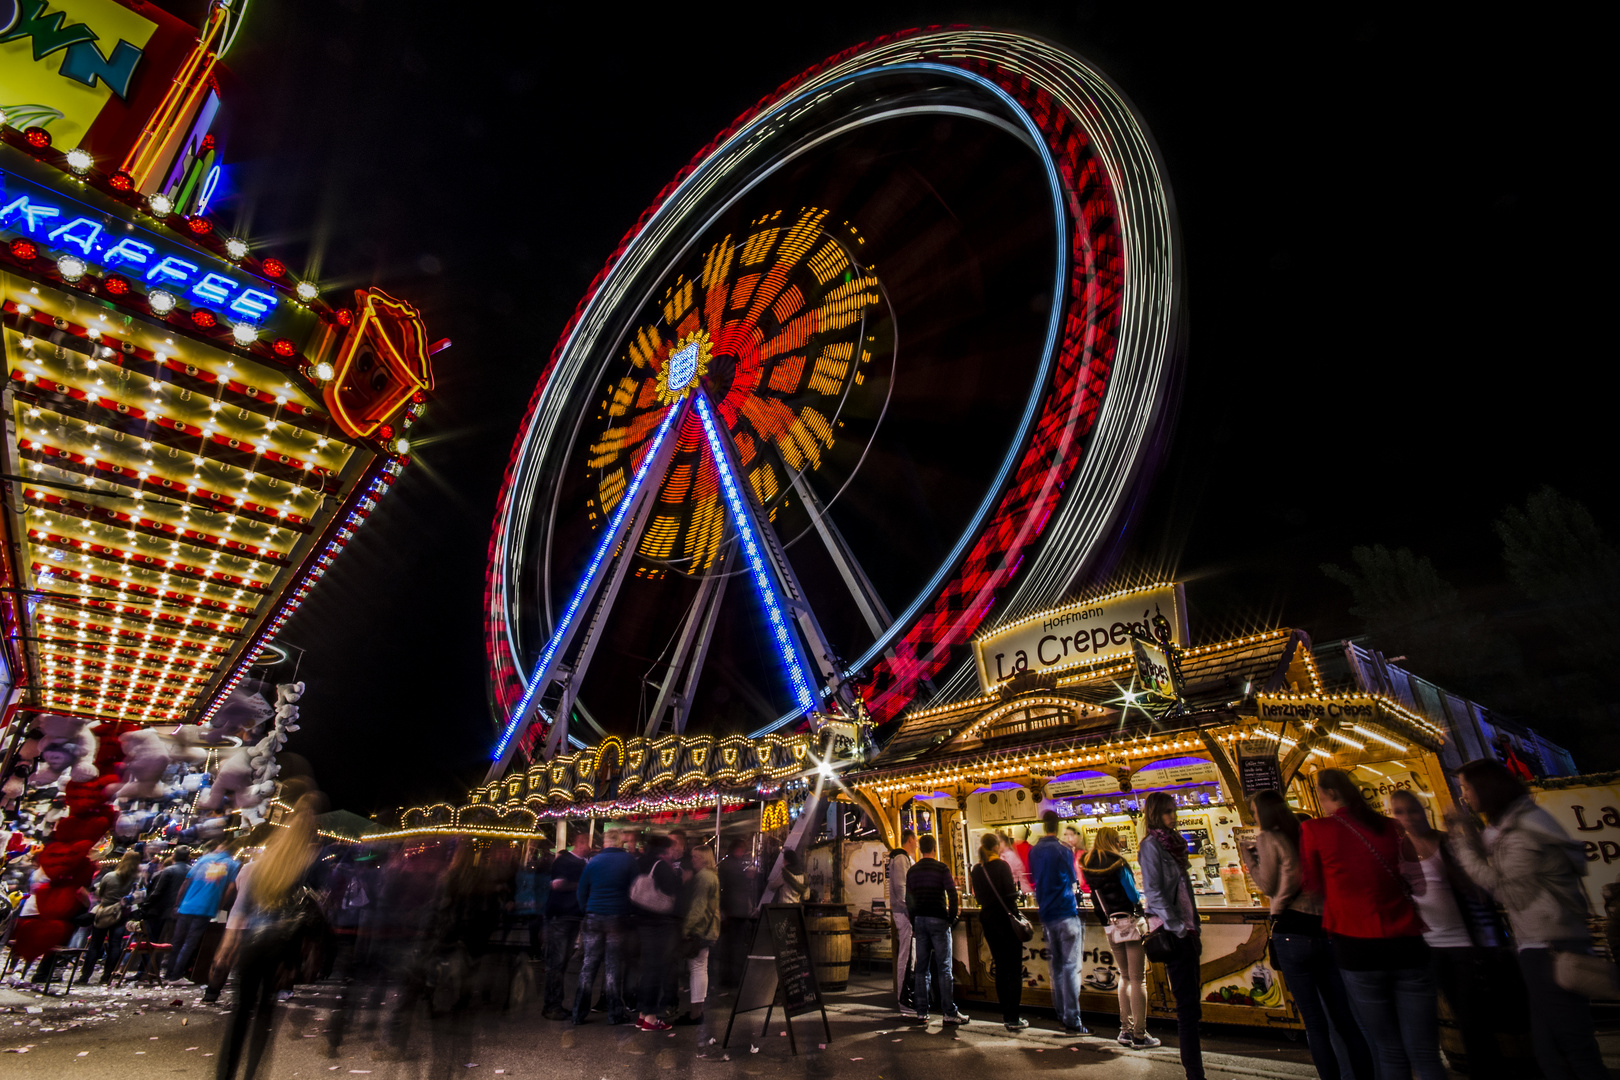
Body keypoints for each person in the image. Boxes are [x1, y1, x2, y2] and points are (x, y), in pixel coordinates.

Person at [1446, 758, 1608, 1080]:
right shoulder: (1517, 825)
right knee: (1550, 1049)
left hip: (1548, 947)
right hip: (1545, 942)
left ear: (1485, 789)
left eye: (1466, 788)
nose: (1463, 796)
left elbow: (1506, 891)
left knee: (1571, 1044)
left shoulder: (1521, 834)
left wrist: (1462, 842)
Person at [1299, 769, 1442, 1080]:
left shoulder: (1315, 829)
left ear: (1331, 795)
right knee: (1426, 1053)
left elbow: (1312, 888)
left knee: (1389, 1049)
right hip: (1407, 940)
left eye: (1321, 795)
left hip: (1357, 944)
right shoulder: (1390, 827)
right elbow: (1418, 885)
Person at [1386, 788, 1525, 1080]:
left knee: (1472, 1017)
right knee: (1433, 1018)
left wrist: (1464, 833)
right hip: (1426, 945)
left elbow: (1479, 885)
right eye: (1399, 812)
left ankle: (1486, 1072)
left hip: (1465, 943)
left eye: (1412, 810)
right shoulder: (1398, 851)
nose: (1407, 817)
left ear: (1423, 810)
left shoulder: (1445, 842)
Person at [1241, 791, 1371, 1080]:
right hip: (1324, 929)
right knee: (1344, 1017)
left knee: (1314, 1022)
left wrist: (1249, 859)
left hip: (1292, 933)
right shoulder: (1306, 832)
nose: (1253, 815)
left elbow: (1268, 886)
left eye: (1254, 810)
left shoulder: (1269, 838)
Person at [215, 801, 319, 1080]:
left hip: (253, 941)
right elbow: (309, 916)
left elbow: (240, 907)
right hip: (281, 947)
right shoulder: (306, 869)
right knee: (264, 1012)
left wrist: (227, 945)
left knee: (240, 1013)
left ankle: (224, 1074)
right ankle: (252, 1074)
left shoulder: (258, 866)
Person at [1140, 791, 1205, 1080]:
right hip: (1173, 932)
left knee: (1192, 1005)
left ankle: (1195, 1068)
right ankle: (1194, 1072)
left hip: (1188, 929)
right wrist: (1178, 927)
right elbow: (1154, 892)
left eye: (1174, 810)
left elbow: (1183, 891)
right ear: (1156, 814)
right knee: (1187, 1008)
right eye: (1167, 811)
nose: (1173, 816)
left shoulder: (1174, 845)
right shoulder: (1152, 846)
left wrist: (1193, 926)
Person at [1081, 827, 1155, 1049]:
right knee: (1137, 978)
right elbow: (1132, 894)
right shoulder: (1119, 863)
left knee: (1123, 976)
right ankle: (1140, 1035)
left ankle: (1125, 1030)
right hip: (1130, 924)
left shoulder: (1088, 865)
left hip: (1110, 926)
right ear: (1114, 841)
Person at [1027, 809, 1085, 1035]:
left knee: (1057, 968)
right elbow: (1073, 879)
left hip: (1047, 913)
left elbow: (1034, 880)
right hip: (1065, 911)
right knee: (1071, 967)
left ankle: (1061, 1012)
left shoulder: (1034, 852)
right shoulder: (1063, 850)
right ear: (1058, 827)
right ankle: (1072, 1017)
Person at [572, 828, 637, 1026]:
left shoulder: (594, 862)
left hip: (593, 916)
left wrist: (587, 909)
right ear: (620, 842)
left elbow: (581, 890)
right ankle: (614, 1013)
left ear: (605, 842)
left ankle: (578, 1012)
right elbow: (637, 889)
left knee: (589, 965)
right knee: (612, 966)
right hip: (617, 917)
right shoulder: (628, 861)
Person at [904, 833, 967, 1024]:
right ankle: (949, 1012)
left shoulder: (912, 871)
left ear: (921, 849)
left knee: (921, 968)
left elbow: (909, 899)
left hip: (920, 921)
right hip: (939, 920)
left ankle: (922, 1011)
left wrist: (914, 921)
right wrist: (952, 917)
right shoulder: (942, 868)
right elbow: (952, 894)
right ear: (934, 848)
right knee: (944, 967)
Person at [969, 831, 1027, 1032]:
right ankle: (1014, 1016)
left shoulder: (977, 870)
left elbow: (979, 899)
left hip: (989, 922)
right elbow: (1010, 895)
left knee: (1001, 968)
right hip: (1006, 921)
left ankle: (1005, 1014)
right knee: (1014, 969)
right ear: (995, 847)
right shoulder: (1002, 866)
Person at [168, 840, 241, 981]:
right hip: (206, 907)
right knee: (190, 943)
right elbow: (231, 888)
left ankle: (169, 972)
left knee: (177, 941)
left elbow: (186, 882)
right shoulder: (233, 864)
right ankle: (176, 975)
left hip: (187, 905)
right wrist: (219, 906)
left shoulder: (203, 859)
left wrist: (177, 903)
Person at [634, 834, 683, 1031]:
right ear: (664, 850)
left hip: (641, 921)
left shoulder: (640, 862)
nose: (673, 852)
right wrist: (681, 878)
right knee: (655, 969)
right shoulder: (661, 866)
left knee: (646, 969)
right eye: (671, 848)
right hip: (658, 922)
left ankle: (642, 1014)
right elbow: (672, 890)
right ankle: (651, 1018)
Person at [543, 830, 590, 1020]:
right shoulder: (565, 861)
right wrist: (581, 886)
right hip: (562, 916)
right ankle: (552, 1005)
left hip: (571, 916)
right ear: (580, 842)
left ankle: (554, 1003)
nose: (589, 846)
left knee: (561, 962)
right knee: (557, 962)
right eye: (587, 842)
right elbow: (557, 884)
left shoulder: (582, 863)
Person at [81, 848, 139, 984]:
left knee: (95, 944)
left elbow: (100, 894)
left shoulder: (110, 876)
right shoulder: (135, 880)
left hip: (104, 911)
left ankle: (85, 976)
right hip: (121, 914)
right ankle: (107, 976)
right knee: (115, 945)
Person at [678, 845, 720, 1027]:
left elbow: (698, 907)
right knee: (701, 968)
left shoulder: (703, 877)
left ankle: (696, 1012)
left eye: (695, 857)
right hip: (709, 928)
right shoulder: (712, 875)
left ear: (703, 858)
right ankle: (698, 1009)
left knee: (697, 968)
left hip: (701, 929)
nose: (692, 860)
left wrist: (686, 929)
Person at [717, 838, 757, 987]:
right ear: (737, 849)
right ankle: (733, 977)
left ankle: (728, 976)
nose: (744, 852)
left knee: (729, 945)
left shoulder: (727, 864)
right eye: (742, 849)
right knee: (735, 945)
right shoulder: (733, 866)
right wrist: (747, 877)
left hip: (732, 911)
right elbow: (734, 885)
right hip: (735, 911)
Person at [886, 830, 918, 1017]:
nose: (917, 843)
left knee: (909, 956)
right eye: (915, 839)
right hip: (904, 914)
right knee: (906, 957)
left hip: (905, 913)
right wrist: (911, 908)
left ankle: (908, 996)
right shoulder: (900, 859)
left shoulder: (903, 859)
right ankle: (904, 999)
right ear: (910, 839)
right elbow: (900, 888)